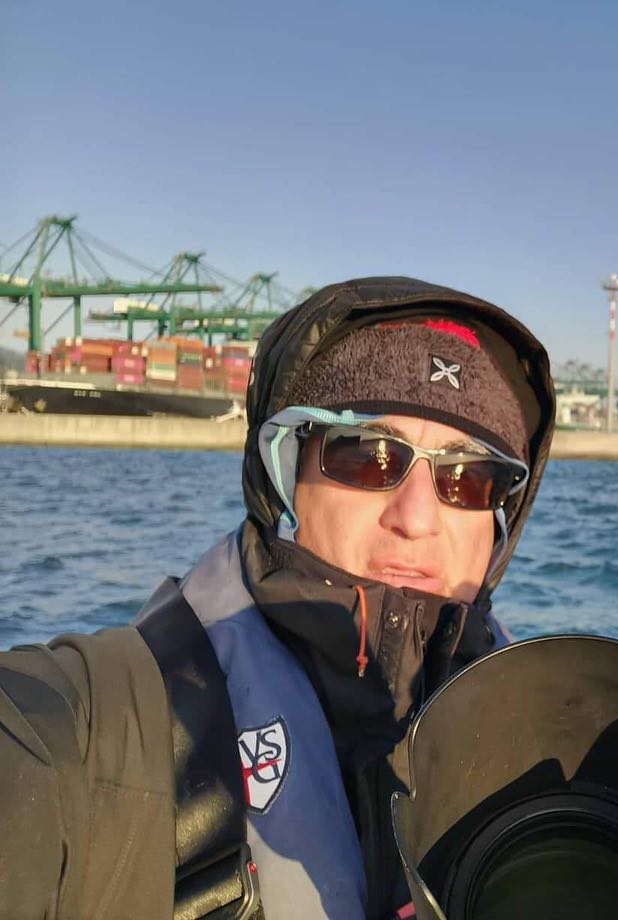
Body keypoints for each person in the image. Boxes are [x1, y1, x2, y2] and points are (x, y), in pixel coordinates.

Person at [0, 277, 555, 919]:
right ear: (287, 477)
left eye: (469, 477)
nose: (417, 517)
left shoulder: (570, 763)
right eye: (369, 456)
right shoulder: (96, 725)